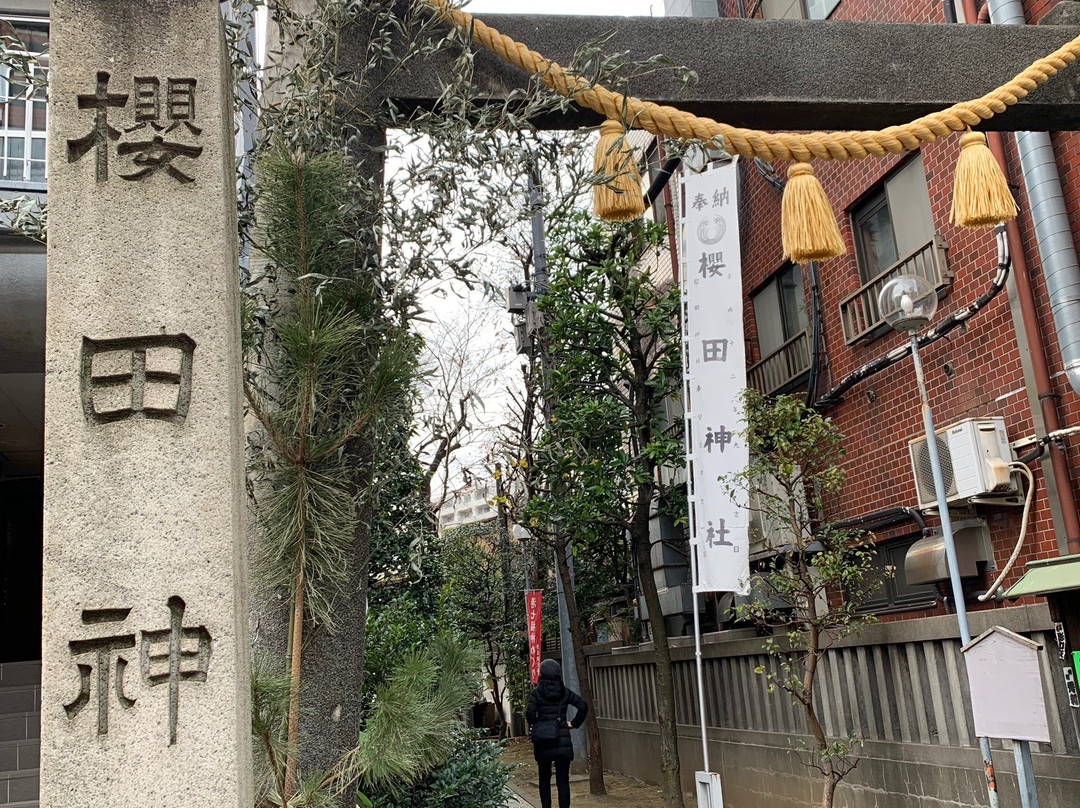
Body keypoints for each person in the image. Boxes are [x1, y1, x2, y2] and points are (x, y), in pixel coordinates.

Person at [525, 659, 588, 808]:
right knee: (563, 781)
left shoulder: (537, 693)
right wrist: (573, 724)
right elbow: (583, 706)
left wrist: (538, 722)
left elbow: (529, 714)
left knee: (544, 779)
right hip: (562, 741)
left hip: (543, 742)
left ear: (542, 673)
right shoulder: (564, 691)